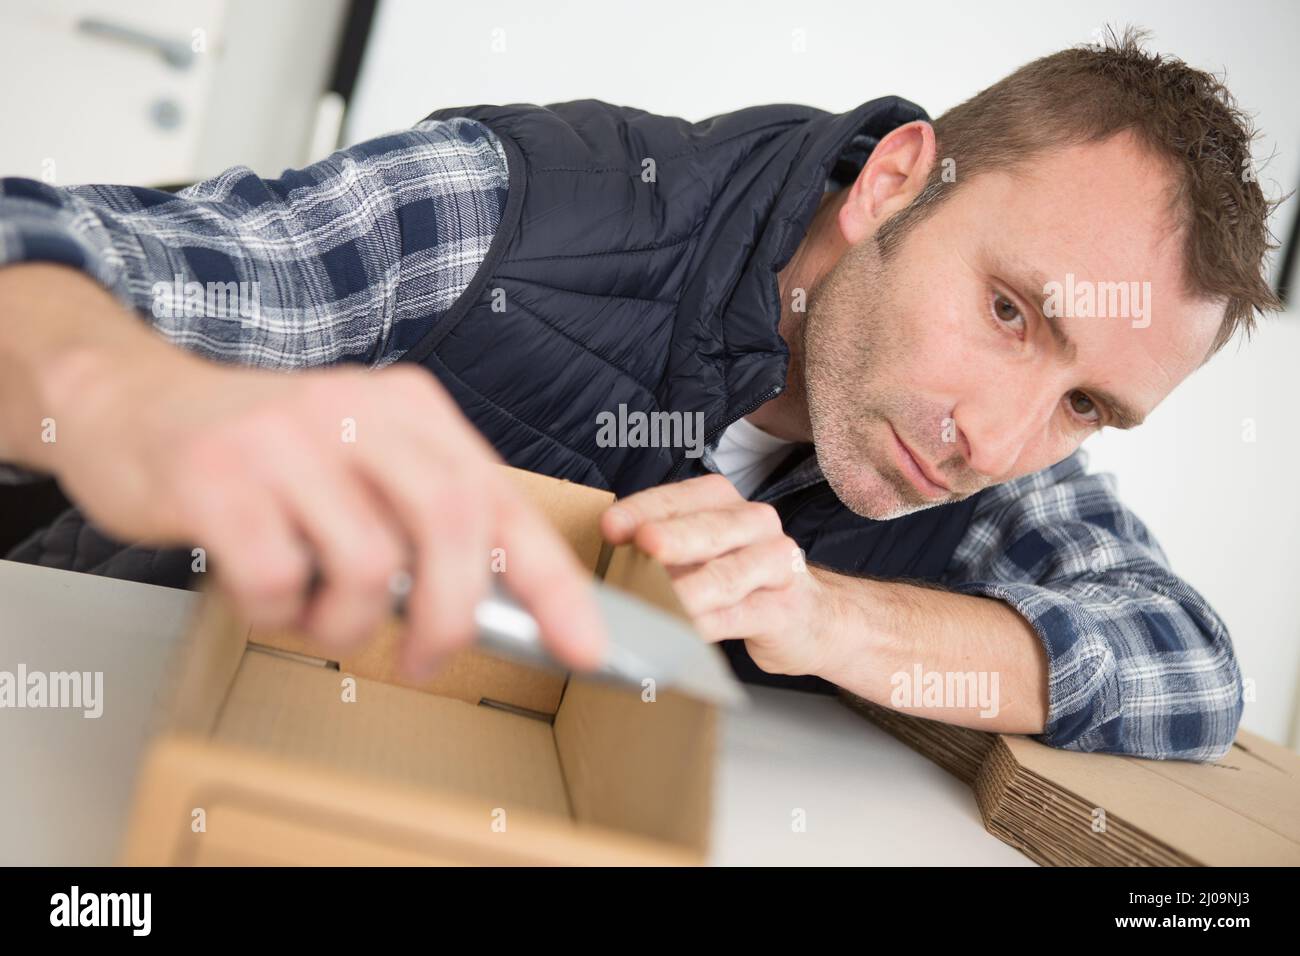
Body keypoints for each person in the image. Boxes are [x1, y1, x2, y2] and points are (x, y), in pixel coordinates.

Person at [0, 29, 1281, 759]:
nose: (995, 441)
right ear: (896, 181)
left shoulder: (998, 436)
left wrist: (840, 620)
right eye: (1009, 313)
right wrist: (128, 394)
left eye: (1088, 407)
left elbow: (1192, 668)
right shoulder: (511, 210)